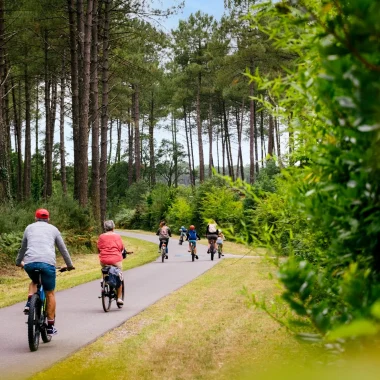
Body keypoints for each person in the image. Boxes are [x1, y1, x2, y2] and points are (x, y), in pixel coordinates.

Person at [16, 208, 75, 335]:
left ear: (35, 217)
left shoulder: (29, 228)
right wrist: (69, 265)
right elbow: (63, 249)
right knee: (50, 294)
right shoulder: (54, 229)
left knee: (34, 281)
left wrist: (18, 262)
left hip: (30, 263)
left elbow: (23, 248)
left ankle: (29, 303)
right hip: (48, 264)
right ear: (48, 218)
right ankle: (50, 326)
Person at [97, 220, 126, 306]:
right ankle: (119, 298)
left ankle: (103, 279)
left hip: (104, 259)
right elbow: (121, 247)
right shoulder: (117, 236)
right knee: (119, 276)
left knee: (104, 270)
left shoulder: (101, 237)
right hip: (116, 260)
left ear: (105, 228)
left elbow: (99, 248)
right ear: (113, 227)